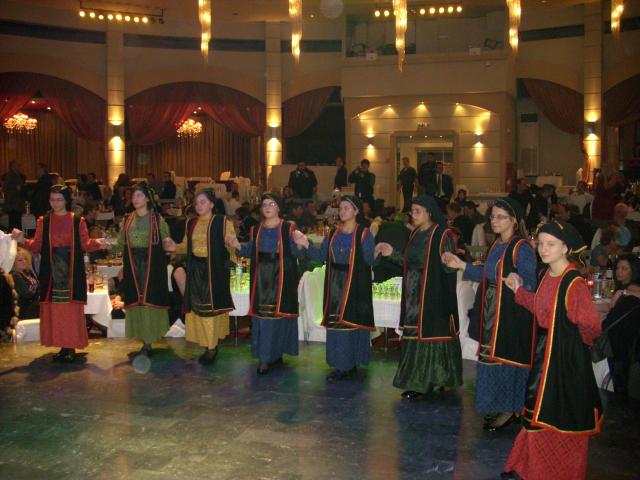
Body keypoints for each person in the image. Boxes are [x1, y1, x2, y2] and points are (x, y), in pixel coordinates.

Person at [502, 220, 603, 480]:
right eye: (541, 243)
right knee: (539, 410)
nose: (543, 249)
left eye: (551, 244)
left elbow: (591, 324)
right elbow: (541, 308)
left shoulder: (574, 282)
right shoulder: (548, 274)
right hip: (545, 354)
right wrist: (518, 291)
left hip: (563, 359)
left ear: (565, 248)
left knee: (558, 413)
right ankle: (530, 468)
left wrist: (575, 347)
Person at [442, 198, 537, 431]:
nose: (494, 221)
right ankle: (498, 404)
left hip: (511, 312)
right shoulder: (497, 244)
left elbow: (531, 283)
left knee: (507, 358)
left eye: (501, 217)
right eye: (493, 216)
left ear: (514, 220)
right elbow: (486, 274)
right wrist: (460, 264)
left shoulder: (522, 248)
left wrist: (518, 280)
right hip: (492, 309)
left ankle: (511, 409)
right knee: (492, 358)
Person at [377, 195, 462, 399]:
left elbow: (449, 267)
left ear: (429, 212)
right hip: (413, 293)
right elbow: (409, 261)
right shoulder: (415, 233)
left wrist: (449, 263)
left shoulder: (442, 235)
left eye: (417, 211)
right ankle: (420, 380)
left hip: (433, 293)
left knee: (431, 335)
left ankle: (433, 380)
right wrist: (391, 253)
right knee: (416, 335)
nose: (413, 215)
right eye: (412, 211)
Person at [12, 185, 107, 362]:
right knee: (56, 310)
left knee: (70, 309)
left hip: (71, 271)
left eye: (59, 199)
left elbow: (85, 244)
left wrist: (97, 243)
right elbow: (36, 246)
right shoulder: (44, 221)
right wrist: (22, 239)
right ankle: (63, 347)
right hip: (52, 272)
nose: (55, 203)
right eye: (52, 200)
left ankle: (70, 347)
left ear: (66, 200)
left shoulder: (77, 220)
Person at [300, 195, 380, 380]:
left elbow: (369, 260)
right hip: (335, 285)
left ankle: (349, 363)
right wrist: (306, 244)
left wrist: (378, 251)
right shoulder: (333, 234)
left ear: (356, 211)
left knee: (351, 323)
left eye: (347, 208)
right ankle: (340, 364)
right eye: (341, 208)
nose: (342, 211)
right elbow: (322, 255)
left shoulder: (364, 234)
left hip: (355, 284)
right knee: (337, 325)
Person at [227, 193, 306, 374]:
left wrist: (300, 244)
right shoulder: (256, 229)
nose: (267, 207)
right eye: (264, 205)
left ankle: (276, 353)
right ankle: (264, 358)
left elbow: (297, 253)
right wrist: (237, 245)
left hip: (282, 278)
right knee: (263, 318)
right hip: (261, 280)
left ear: (278, 207)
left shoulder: (288, 228)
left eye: (271, 204)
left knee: (280, 317)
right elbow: (249, 250)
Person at [110, 182, 174, 359]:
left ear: (147, 199)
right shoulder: (128, 219)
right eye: (133, 196)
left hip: (152, 265)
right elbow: (120, 243)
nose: (135, 199)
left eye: (139, 195)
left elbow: (167, 242)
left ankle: (148, 342)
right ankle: (145, 341)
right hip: (133, 265)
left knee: (149, 301)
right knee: (137, 302)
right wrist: (104, 244)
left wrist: (171, 244)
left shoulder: (157, 219)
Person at [173, 189, 235, 364]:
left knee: (211, 309)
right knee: (199, 308)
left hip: (214, 270)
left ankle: (212, 347)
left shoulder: (222, 222)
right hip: (196, 270)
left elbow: (231, 248)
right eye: (196, 202)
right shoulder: (191, 223)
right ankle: (207, 344)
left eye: (203, 202)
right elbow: (185, 246)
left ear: (212, 204)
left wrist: (230, 261)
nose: (199, 205)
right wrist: (173, 246)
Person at [603, 254, 640, 396]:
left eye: (624, 268)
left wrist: (623, 292)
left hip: (623, 348)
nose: (619, 271)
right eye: (618, 268)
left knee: (622, 387)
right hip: (628, 348)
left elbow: (610, 320)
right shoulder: (627, 289)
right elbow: (612, 306)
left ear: (634, 271)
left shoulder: (631, 289)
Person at [10, 247, 40, 320]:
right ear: (13, 262)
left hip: (34, 304)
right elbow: (26, 293)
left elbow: (39, 287)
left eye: (25, 259)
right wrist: (39, 296)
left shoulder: (28, 272)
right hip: (25, 308)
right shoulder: (15, 275)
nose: (24, 261)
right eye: (20, 260)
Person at [1, 160, 25, 231]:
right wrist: (17, 187)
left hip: (14, 204)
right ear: (12, 167)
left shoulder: (14, 175)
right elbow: (6, 188)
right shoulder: (11, 175)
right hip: (13, 205)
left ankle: (15, 236)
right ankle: (14, 237)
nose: (18, 167)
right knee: (15, 224)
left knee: (15, 223)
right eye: (16, 165)